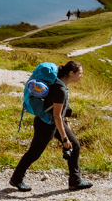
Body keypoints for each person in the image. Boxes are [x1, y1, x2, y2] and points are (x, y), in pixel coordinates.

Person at [9, 59, 92, 192]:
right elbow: (56, 115)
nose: (81, 76)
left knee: (74, 145)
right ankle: (16, 179)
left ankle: (75, 181)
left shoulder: (61, 85)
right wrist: (64, 138)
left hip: (54, 122)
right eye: (80, 73)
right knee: (34, 153)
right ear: (71, 73)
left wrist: (67, 128)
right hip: (46, 124)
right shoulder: (59, 89)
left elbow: (61, 111)